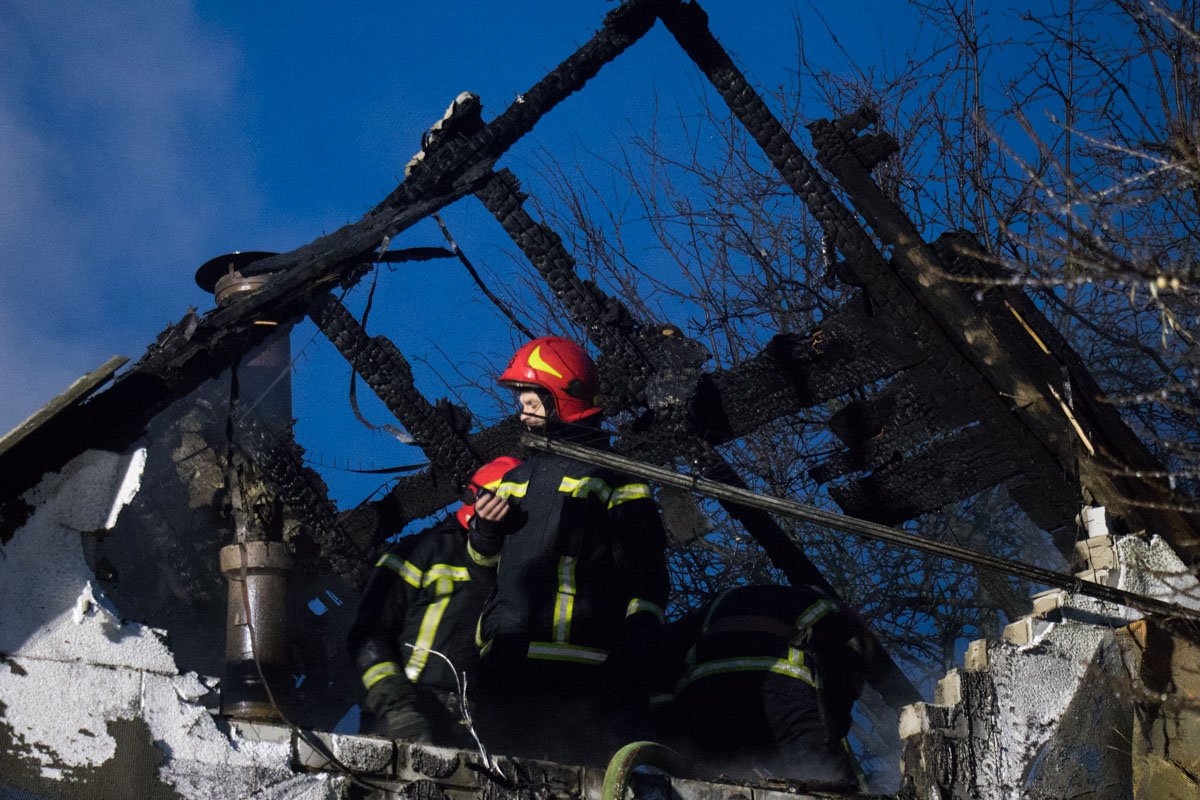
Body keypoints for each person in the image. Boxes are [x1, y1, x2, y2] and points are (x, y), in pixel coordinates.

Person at [469, 336, 670, 764]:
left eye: (532, 400)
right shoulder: (514, 479)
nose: (523, 411)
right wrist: (485, 531)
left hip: (583, 673)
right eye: (522, 400)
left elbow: (648, 577)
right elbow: (485, 574)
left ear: (563, 398)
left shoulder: (617, 480)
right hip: (507, 667)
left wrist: (634, 655)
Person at [347, 456, 521, 745]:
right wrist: (397, 708)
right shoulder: (420, 553)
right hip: (408, 716)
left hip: (476, 730)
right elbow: (368, 635)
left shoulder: (517, 566)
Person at [657, 584, 869, 789]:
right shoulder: (822, 604)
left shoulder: (718, 601)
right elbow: (844, 668)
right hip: (782, 692)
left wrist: (667, 714)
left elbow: (664, 649)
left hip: (705, 695)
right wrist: (832, 726)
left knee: (700, 779)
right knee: (822, 778)